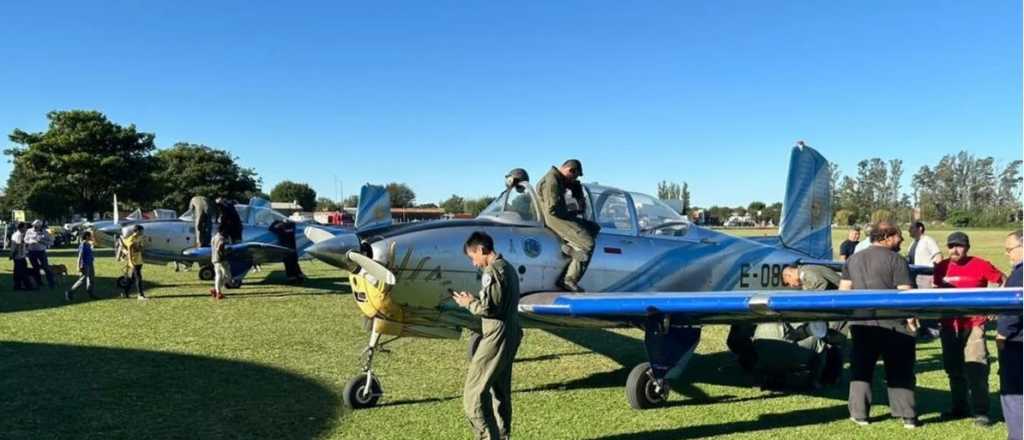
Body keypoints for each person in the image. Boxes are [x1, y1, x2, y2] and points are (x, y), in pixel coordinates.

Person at [839, 221, 918, 428]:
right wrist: (911, 319)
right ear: (886, 237)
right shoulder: (897, 260)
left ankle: (859, 413)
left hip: (861, 324)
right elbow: (905, 294)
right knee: (900, 369)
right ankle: (907, 415)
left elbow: (843, 291)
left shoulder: (853, 260)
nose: (901, 239)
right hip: (894, 324)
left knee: (861, 369)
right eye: (898, 235)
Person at [451, 231, 523, 440]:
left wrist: (468, 303)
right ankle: (503, 435)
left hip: (496, 336)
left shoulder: (493, 271)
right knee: (499, 392)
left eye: (473, 257)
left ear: (482, 250)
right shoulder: (506, 267)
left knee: (473, 395)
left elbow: (491, 309)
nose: (474, 263)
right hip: (508, 332)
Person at [933, 231, 1004, 426]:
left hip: (974, 324)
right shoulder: (941, 267)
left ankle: (981, 411)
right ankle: (959, 407)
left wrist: (993, 307)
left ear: (967, 247)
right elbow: (937, 291)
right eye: (951, 246)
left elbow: (1002, 281)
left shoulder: (981, 264)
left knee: (976, 366)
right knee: (953, 367)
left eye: (959, 246)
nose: (954, 250)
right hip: (949, 324)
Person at [750, 264, 844, 389]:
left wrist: (807, 306)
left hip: (838, 307)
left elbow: (821, 285)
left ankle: (829, 377)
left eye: (788, 282)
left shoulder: (805, 272)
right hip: (834, 306)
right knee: (828, 339)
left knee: (832, 340)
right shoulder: (806, 272)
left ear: (789, 274)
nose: (792, 286)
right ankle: (828, 376)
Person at [535, 159, 600, 292]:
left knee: (594, 228)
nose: (574, 179)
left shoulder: (559, 178)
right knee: (588, 243)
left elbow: (575, 185)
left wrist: (579, 197)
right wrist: (573, 211)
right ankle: (569, 279)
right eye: (574, 175)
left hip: (560, 214)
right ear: (570, 170)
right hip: (554, 218)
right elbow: (552, 210)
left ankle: (571, 248)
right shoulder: (552, 181)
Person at [999, 230, 1022, 440]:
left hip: (1017, 343)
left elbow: (1011, 310)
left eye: (1010, 250)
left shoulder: (1018, 275)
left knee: (1013, 393)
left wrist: (1001, 335)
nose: (1008, 255)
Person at [907, 221, 942, 288]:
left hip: (926, 277)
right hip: (914, 275)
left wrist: (935, 276)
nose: (909, 230)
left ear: (920, 228)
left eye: (912, 228)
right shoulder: (913, 243)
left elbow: (939, 257)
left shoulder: (928, 240)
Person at [65, 230, 97, 301]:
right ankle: (70, 292)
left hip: (90, 263)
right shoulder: (83, 244)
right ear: (87, 236)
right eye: (90, 236)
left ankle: (90, 293)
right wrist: (78, 266)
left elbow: (94, 242)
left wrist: (93, 233)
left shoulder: (88, 244)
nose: (91, 237)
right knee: (82, 280)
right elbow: (80, 256)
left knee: (91, 279)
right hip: (85, 264)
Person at [24, 219, 55, 289]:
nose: (35, 228)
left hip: (41, 251)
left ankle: (51, 282)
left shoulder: (46, 232)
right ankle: (39, 282)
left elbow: (51, 242)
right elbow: (25, 239)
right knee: (35, 268)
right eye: (34, 226)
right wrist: (30, 241)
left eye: (36, 226)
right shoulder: (29, 231)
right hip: (31, 251)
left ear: (40, 226)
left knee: (45, 267)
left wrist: (41, 241)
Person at [121, 225, 148, 300]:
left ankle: (125, 293)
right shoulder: (131, 239)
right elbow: (129, 251)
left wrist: (140, 247)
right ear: (137, 231)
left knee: (133, 279)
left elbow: (141, 248)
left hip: (139, 260)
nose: (142, 232)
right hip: (134, 261)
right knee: (138, 278)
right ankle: (140, 295)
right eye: (141, 231)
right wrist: (130, 262)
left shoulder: (139, 238)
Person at [10, 222, 33, 290]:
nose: (26, 229)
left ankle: (18, 286)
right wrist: (14, 254)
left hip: (20, 256)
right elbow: (17, 246)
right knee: (23, 272)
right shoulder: (18, 235)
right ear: (21, 227)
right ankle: (28, 286)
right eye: (25, 227)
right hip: (19, 257)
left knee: (18, 272)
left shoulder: (19, 234)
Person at [210, 226, 227, 300]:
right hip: (220, 259)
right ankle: (218, 292)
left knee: (218, 275)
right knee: (226, 275)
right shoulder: (221, 238)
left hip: (214, 258)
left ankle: (216, 290)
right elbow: (220, 246)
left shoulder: (213, 237)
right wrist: (223, 253)